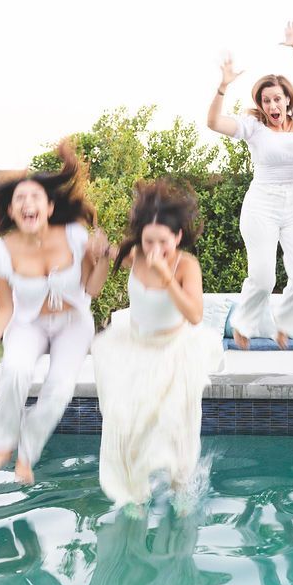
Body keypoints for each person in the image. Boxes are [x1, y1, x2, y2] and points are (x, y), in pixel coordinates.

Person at [0, 142, 109, 484]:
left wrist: (104, 257)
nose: (27, 203)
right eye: (19, 199)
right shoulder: (2, 252)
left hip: (73, 323)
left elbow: (92, 289)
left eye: (34, 197)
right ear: (12, 210)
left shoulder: (75, 236)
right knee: (15, 371)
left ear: (49, 207)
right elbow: (4, 308)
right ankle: (2, 442)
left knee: (60, 388)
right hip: (28, 322)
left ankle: (28, 453)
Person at [91, 179, 223, 512]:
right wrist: (100, 247)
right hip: (134, 347)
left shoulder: (186, 265)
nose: (154, 250)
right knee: (126, 425)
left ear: (177, 237)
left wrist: (167, 279)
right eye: (148, 241)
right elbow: (106, 253)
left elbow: (194, 314)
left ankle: (181, 491)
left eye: (162, 242)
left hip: (174, 350)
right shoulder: (135, 254)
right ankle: (134, 494)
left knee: (175, 427)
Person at [206, 21, 293, 351]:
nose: (272, 106)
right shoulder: (253, 125)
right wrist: (222, 87)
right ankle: (243, 323)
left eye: (277, 99)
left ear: (288, 99)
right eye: (266, 100)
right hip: (261, 203)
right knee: (263, 277)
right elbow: (214, 122)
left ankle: (285, 324)